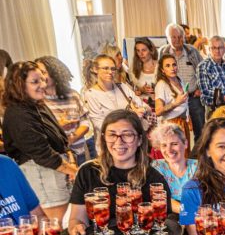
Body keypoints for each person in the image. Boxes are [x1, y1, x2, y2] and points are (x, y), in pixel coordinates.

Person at [2, 61, 78, 221]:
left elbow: (59, 138)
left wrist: (69, 158)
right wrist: (73, 171)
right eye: (35, 81)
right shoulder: (17, 114)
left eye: (43, 79)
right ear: (19, 85)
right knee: (56, 227)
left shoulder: (37, 105)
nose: (43, 84)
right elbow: (43, 154)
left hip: (55, 171)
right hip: (42, 174)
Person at [36, 56, 93, 166]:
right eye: (37, 73)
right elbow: (38, 132)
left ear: (55, 73)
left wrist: (70, 139)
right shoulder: (38, 101)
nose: (41, 77)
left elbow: (85, 123)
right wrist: (58, 126)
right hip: (56, 157)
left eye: (43, 72)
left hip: (80, 153)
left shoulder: (73, 95)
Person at [83, 54, 148, 145]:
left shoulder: (122, 87)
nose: (110, 72)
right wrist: (132, 117)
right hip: (109, 145)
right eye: (105, 68)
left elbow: (144, 106)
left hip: (131, 142)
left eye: (113, 69)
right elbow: (100, 125)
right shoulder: (91, 94)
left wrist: (142, 110)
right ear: (95, 69)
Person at [159, 23, 205, 144]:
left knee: (200, 131)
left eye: (180, 36)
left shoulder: (192, 50)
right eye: (173, 37)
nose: (177, 40)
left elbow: (203, 70)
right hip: (173, 100)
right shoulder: (163, 52)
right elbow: (157, 74)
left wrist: (201, 88)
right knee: (177, 134)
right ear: (168, 38)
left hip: (193, 97)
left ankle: (198, 159)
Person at [196, 36, 225, 120]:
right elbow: (205, 91)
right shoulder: (203, 66)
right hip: (213, 110)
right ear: (209, 49)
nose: (217, 51)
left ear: (224, 49)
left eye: (220, 48)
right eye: (214, 48)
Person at [154, 54, 191, 145]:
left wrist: (187, 117)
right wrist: (176, 103)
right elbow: (158, 111)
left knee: (185, 154)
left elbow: (184, 103)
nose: (172, 68)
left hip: (183, 122)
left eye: (174, 64)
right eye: (168, 65)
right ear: (162, 70)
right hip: (171, 125)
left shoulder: (180, 80)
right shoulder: (161, 85)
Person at [129, 38, 158, 106]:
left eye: (144, 50)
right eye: (138, 51)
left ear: (151, 50)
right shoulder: (133, 68)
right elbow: (133, 89)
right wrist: (141, 90)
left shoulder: (160, 66)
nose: (141, 54)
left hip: (158, 104)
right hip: (141, 105)